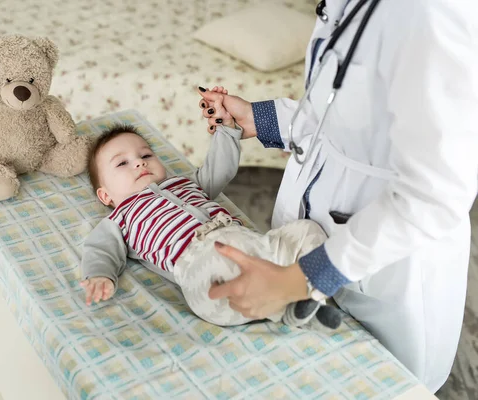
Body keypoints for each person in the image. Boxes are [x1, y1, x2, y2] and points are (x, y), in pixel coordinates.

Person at [196, 0, 478, 393]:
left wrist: (299, 280)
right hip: (313, 237)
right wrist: (260, 118)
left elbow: (435, 194)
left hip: (386, 269)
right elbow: (340, 113)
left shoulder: (432, 12)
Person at [79, 122, 342, 329]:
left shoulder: (186, 183)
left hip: (256, 247)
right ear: (106, 196)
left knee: (308, 230)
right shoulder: (121, 217)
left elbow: (220, 169)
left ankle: (306, 293)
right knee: (221, 267)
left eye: (145, 154)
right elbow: (99, 248)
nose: (139, 162)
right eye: (122, 163)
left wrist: (226, 131)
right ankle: (288, 309)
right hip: (202, 270)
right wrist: (100, 275)